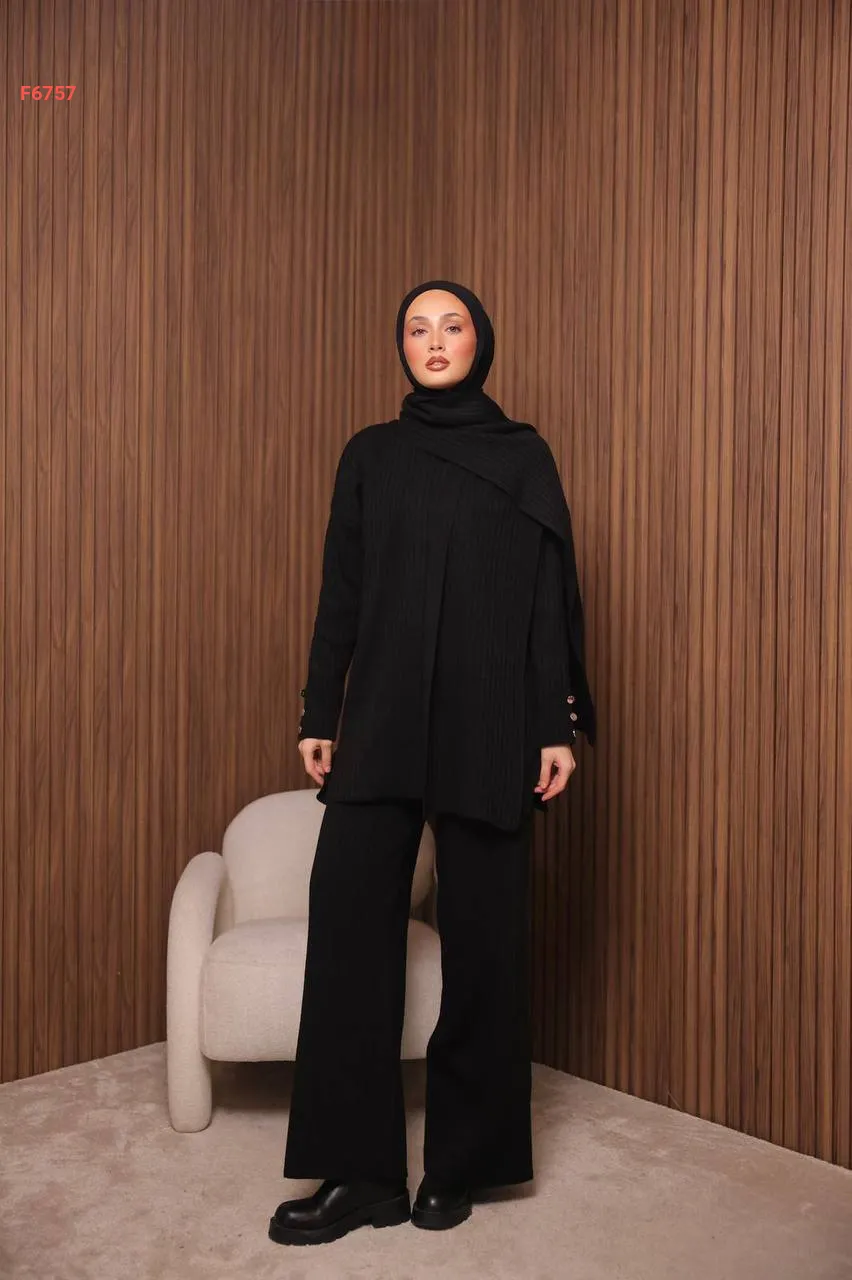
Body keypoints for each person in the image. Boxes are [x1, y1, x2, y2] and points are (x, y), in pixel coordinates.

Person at [269, 279, 596, 1246]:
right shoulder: (370, 454)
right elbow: (342, 588)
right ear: (402, 348)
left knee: (486, 941)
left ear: (480, 340)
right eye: (418, 328)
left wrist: (554, 724)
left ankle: (463, 1162)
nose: (436, 340)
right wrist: (320, 708)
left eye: (452, 326)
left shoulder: (522, 455)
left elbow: (546, 599)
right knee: (347, 931)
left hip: (491, 722)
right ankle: (359, 1174)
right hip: (379, 721)